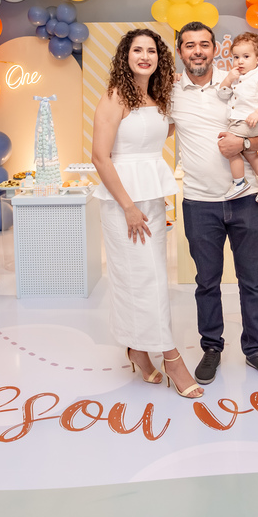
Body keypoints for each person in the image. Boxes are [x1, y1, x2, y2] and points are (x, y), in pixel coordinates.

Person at [171, 21, 258, 386]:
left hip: (246, 199)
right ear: (180, 51)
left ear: (215, 49)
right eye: (190, 45)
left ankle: (255, 349)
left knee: (252, 281)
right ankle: (211, 347)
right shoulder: (171, 92)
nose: (198, 51)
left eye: (204, 44)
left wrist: (244, 144)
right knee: (206, 282)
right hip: (198, 203)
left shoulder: (238, 79)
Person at [92, 28, 203, 399]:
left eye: (151, 51)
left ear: (160, 57)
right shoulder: (115, 97)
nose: (144, 56)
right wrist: (128, 207)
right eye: (137, 50)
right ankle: (171, 357)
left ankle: (137, 350)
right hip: (124, 203)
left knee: (148, 278)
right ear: (126, 56)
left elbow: (156, 135)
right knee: (141, 279)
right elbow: (100, 157)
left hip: (151, 198)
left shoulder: (157, 96)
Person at [218, 32, 258, 202]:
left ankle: (239, 182)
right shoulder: (237, 77)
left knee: (231, 149)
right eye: (236, 57)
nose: (240, 61)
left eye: (246, 57)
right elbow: (222, 94)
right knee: (251, 154)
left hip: (246, 121)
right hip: (245, 122)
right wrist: (228, 79)